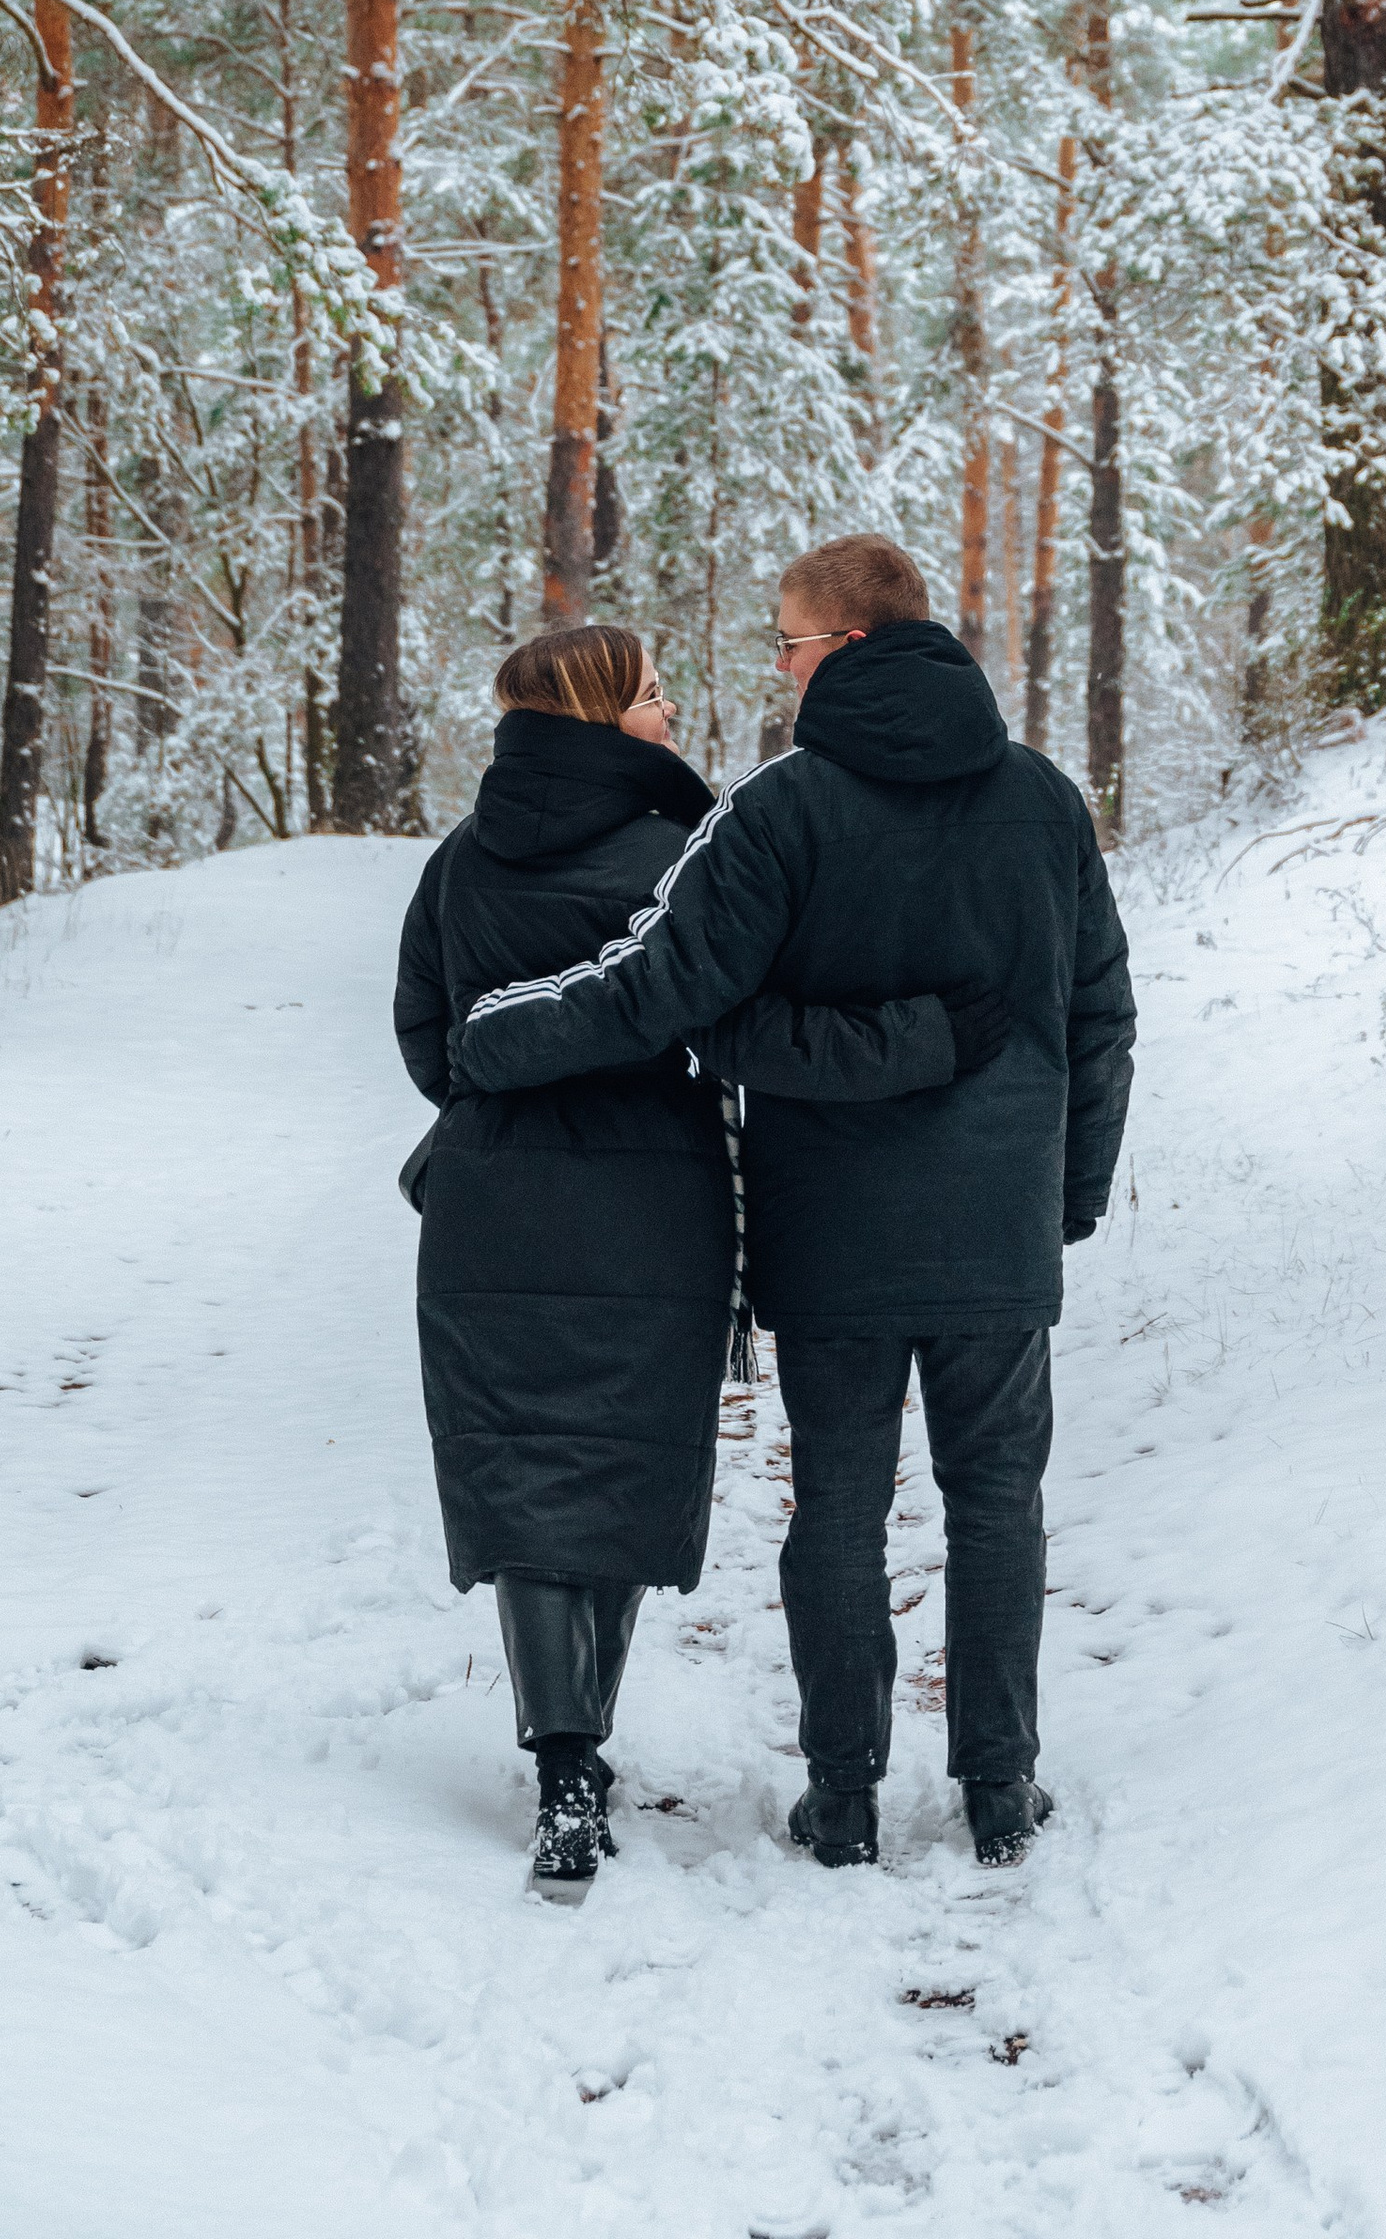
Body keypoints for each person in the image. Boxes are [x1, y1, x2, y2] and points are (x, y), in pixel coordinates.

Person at [450, 536, 1136, 1872]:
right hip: (998, 1222)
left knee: (837, 1508)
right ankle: (1000, 1790)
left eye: (787, 642)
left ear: (845, 646)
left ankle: (845, 1801)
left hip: (833, 1230)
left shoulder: (780, 810)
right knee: (998, 1500)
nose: (778, 666)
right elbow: (1101, 1016)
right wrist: (1067, 1193)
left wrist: (498, 1040)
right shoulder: (1044, 803)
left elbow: (663, 992)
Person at [394, 620, 1003, 1899]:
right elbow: (742, 1027)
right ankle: (577, 1756)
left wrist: (506, 1093)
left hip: (491, 1200)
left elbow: (424, 1034)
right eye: (656, 695)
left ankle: (567, 1764)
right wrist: (926, 1037)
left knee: (526, 1480)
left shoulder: (456, 862)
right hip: (648, 1204)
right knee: (611, 1467)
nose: (673, 713)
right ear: (605, 715)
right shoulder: (679, 858)